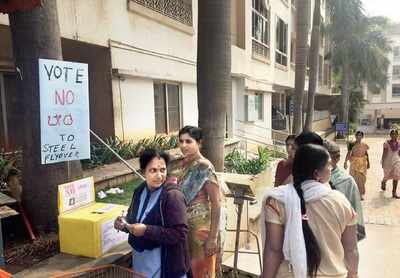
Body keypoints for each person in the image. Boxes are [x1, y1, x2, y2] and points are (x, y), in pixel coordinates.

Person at [261, 144, 359, 278]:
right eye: (328, 165)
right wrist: (353, 274)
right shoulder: (341, 202)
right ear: (317, 173)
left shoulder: (278, 201)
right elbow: (351, 249)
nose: (331, 168)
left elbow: (274, 249)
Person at [114, 148, 190, 278]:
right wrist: (124, 223)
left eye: (162, 170)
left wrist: (146, 230)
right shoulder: (139, 191)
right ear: (143, 172)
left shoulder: (173, 196)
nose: (159, 175)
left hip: (165, 266)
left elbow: (179, 234)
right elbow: (134, 218)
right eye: (153, 170)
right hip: (141, 262)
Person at [168, 126, 224, 278]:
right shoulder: (177, 166)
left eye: (189, 141)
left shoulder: (204, 167)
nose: (183, 145)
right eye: (181, 141)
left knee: (201, 271)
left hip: (200, 231)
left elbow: (216, 203)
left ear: (199, 143)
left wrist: (212, 238)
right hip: (180, 228)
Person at [324, 140, 366, 241]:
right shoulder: (311, 178)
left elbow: (355, 213)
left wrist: (350, 244)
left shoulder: (346, 181)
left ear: (337, 158)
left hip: (339, 236)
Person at [344, 131, 370, 200]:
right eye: (357, 135)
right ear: (355, 136)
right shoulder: (351, 144)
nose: (359, 137)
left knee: (362, 179)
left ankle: (361, 194)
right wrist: (345, 162)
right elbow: (348, 153)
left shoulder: (364, 145)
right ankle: (353, 193)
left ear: (362, 137)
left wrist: (368, 163)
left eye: (360, 135)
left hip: (363, 164)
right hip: (354, 163)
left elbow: (366, 154)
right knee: (353, 178)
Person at [380, 129, 400, 199]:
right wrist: (382, 162)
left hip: (396, 161)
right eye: (392, 134)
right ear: (390, 135)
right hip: (388, 162)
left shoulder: (399, 143)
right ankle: (383, 182)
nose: (394, 135)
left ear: (397, 135)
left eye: (395, 134)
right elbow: (384, 153)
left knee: (396, 176)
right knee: (387, 175)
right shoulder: (386, 143)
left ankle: (394, 192)